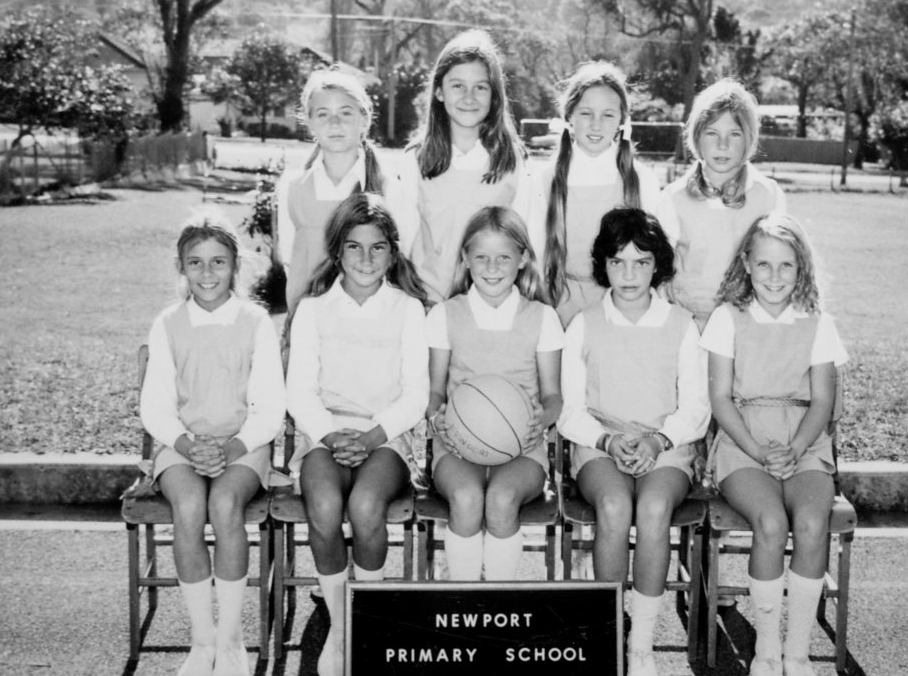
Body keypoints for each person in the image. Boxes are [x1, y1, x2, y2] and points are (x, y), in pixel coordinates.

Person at [557, 208, 709, 675]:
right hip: (600, 444)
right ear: (602, 264)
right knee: (616, 508)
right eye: (618, 261)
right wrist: (605, 441)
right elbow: (569, 411)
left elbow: (697, 409)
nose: (629, 273)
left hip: (666, 445)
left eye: (641, 262)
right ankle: (609, 629)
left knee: (654, 509)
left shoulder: (682, 324)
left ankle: (641, 641)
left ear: (657, 266)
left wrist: (658, 441)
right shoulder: (583, 323)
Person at [284, 193, 429, 676]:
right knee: (324, 506)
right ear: (336, 252)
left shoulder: (409, 310)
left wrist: (369, 439)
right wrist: (328, 436)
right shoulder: (312, 310)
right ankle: (341, 625)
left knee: (367, 507)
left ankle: (367, 616)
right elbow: (299, 392)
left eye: (377, 248)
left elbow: (416, 396)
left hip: (386, 437)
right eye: (353, 247)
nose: (365, 259)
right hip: (323, 433)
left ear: (393, 252)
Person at [699, 213, 847, 676]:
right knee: (769, 521)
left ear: (801, 268)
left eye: (786, 266)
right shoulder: (728, 318)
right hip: (743, 442)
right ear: (746, 264)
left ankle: (796, 651)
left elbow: (823, 400)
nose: (774, 277)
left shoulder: (817, 322)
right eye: (763, 265)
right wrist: (761, 451)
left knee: (808, 523)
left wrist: (798, 447)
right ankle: (766, 649)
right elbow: (720, 399)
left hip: (805, 441)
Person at [140, 214, 287, 676]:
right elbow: (155, 407)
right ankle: (202, 641)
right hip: (180, 445)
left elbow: (269, 409)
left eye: (218, 262)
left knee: (224, 505)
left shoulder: (255, 321)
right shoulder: (168, 323)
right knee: (188, 506)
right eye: (196, 263)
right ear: (181, 268)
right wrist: (186, 444)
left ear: (235, 266)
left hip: (244, 446)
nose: (207, 273)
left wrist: (231, 448)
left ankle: (231, 642)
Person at [425, 206, 564, 581]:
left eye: (504, 257)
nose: (492, 267)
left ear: (522, 259)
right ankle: (463, 595)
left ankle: (498, 596)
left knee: (502, 500)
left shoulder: (541, 317)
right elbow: (435, 393)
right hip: (456, 446)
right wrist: (437, 419)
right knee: (468, 499)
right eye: (481, 257)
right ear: (465, 259)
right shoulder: (445, 314)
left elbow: (553, 397)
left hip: (522, 448)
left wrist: (542, 420)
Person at [390, 29, 539, 304]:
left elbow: (527, 244)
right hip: (429, 304)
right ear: (438, 91)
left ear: (494, 96)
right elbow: (402, 243)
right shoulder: (415, 160)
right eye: (457, 86)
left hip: (492, 306)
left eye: (480, 87)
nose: (469, 97)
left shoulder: (513, 162)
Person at [535, 62, 662, 325]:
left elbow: (654, 258)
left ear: (621, 120)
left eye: (607, 115)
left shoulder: (642, 180)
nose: (596, 125)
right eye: (585, 113)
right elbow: (534, 253)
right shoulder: (544, 180)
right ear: (569, 115)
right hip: (559, 306)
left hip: (622, 308)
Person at [656, 78, 786, 328]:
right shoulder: (673, 198)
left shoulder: (768, 195)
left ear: (749, 138)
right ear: (697, 136)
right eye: (712, 133)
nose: (722, 145)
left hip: (745, 323)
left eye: (734, 134)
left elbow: (776, 262)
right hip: (688, 324)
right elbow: (660, 272)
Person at [276, 69, 388, 315]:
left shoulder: (388, 189)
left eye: (345, 113)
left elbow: (399, 263)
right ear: (310, 123)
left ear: (364, 119)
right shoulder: (293, 187)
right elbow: (290, 262)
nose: (334, 123)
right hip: (309, 328)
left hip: (372, 325)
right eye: (323, 114)